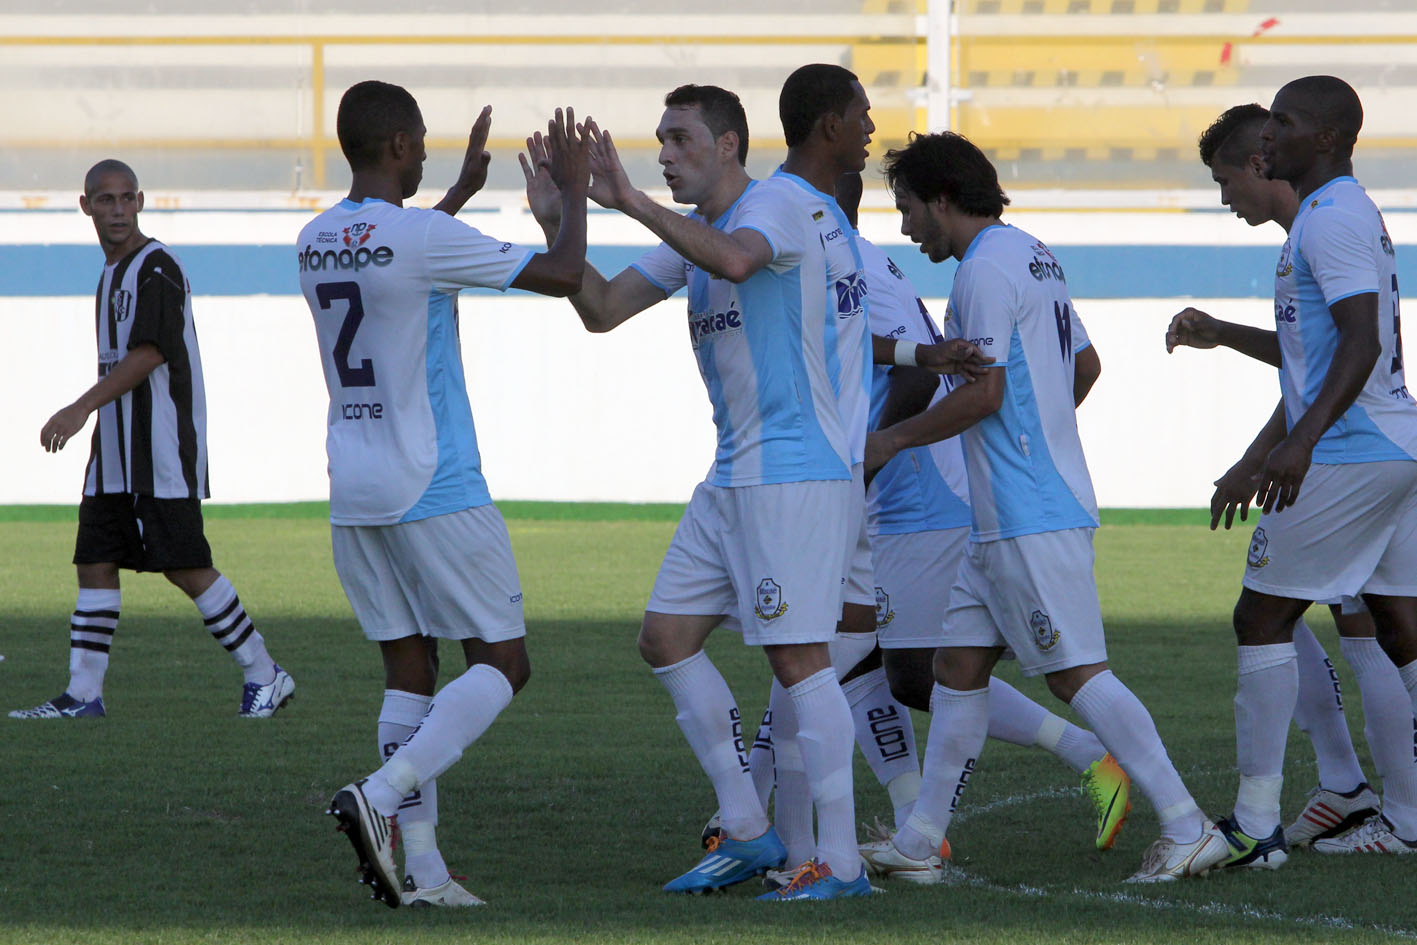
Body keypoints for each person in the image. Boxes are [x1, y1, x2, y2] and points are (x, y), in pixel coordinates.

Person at [520, 81, 981, 900]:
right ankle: (746, 825)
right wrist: (562, 220)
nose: (664, 155)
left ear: (730, 144)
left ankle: (837, 864)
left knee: (801, 659)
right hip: (739, 473)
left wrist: (625, 196)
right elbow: (600, 307)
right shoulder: (717, 228)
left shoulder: (775, 207)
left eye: (681, 139)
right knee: (665, 638)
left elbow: (736, 261)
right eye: (658, 141)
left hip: (792, 473)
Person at [858, 131, 1230, 884]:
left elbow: (985, 391)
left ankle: (1189, 824)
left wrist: (890, 439)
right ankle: (921, 839)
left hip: (1027, 513)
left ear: (940, 198)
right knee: (955, 667)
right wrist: (1041, 434)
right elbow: (1083, 365)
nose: (904, 229)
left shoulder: (982, 272)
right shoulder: (1030, 252)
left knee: (1075, 674)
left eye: (906, 210)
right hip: (1009, 512)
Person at [306, 81, 590, 908]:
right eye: (420, 141)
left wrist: (457, 194)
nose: (427, 151)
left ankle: (423, 872)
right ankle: (383, 792)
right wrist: (569, 188)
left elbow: (388, 247)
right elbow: (566, 272)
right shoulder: (423, 235)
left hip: (352, 484)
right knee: (504, 659)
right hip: (433, 480)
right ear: (397, 145)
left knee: (409, 669)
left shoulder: (313, 236)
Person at [1167, 102, 1417, 853]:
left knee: (1264, 616)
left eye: (1280, 129)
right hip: (1381, 442)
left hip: (1352, 448)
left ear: (1320, 139)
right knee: (1394, 627)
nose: (1270, 140)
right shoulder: (1333, 215)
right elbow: (1316, 363)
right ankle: (1387, 812)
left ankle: (1253, 824)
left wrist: (1299, 443)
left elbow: (1359, 345)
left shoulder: (1326, 219)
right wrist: (1256, 446)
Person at [10, 159, 293, 722]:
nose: (116, 210)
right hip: (111, 458)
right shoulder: (110, 274)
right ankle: (83, 694)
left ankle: (266, 673)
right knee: (94, 562)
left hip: (159, 452)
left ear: (141, 201)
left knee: (186, 566)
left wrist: (78, 408)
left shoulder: (155, 266)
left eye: (125, 199)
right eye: (104, 200)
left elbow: (149, 353)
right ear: (85, 205)